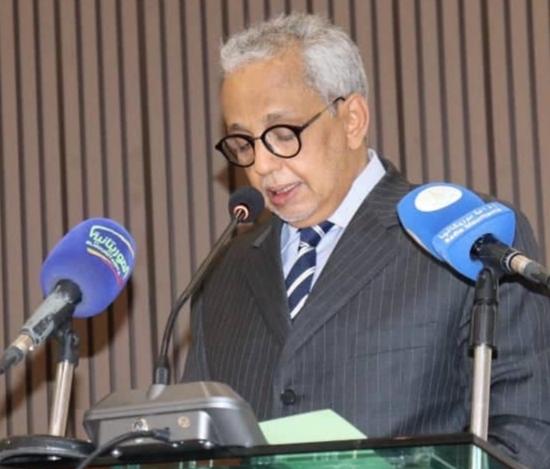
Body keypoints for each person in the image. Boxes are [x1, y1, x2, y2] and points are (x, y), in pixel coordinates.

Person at [182, 13, 550, 466]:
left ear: (352, 119)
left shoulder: (469, 238)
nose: (261, 165)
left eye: (281, 134)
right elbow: (194, 447)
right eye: (243, 143)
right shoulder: (222, 274)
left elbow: (528, 441)